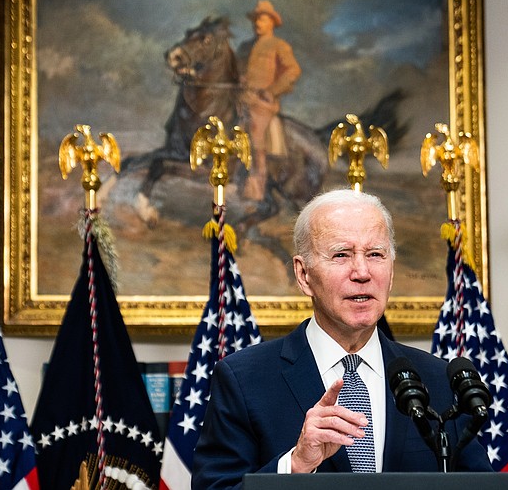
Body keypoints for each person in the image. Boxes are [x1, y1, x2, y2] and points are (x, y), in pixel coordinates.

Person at [192, 188, 492, 490]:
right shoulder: (245, 380)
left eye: (375, 254)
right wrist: (295, 465)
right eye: (341, 255)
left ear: (391, 268)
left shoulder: (437, 380)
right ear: (303, 275)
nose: (362, 272)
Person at [236, 0, 301, 202]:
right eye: (256, 19)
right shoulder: (244, 47)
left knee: (255, 136)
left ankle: (257, 186)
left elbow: (293, 71)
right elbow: (237, 71)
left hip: (262, 103)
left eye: (262, 19)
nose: (257, 23)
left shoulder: (279, 45)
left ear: (272, 22)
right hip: (240, 98)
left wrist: (272, 91)